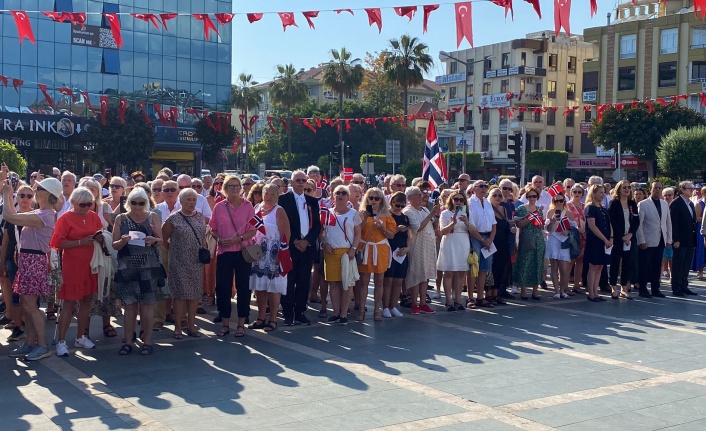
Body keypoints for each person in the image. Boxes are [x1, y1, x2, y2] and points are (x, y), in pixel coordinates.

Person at [3, 175, 61, 361]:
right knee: (28, 306)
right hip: (29, 260)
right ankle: (30, 342)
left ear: (47, 194)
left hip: (33, 261)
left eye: (39, 189)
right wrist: (9, 194)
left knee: (31, 306)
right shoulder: (41, 213)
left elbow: (9, 217)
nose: (35, 191)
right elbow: (13, 216)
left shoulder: (45, 215)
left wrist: (6, 194)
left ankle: (42, 345)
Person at [50, 187, 105, 356]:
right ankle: (61, 341)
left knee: (87, 300)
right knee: (69, 302)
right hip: (73, 265)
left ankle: (81, 336)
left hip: (91, 264)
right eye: (82, 204)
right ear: (73, 203)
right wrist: (81, 242)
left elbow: (100, 233)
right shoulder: (65, 219)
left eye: (89, 204)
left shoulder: (94, 216)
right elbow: (57, 243)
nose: (86, 207)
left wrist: (101, 238)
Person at [112, 188, 163, 355]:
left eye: (141, 203)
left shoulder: (152, 216)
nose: (137, 206)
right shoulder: (121, 218)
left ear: (146, 203)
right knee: (130, 305)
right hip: (128, 267)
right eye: (134, 202)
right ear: (128, 203)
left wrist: (154, 240)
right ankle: (128, 341)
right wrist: (123, 240)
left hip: (149, 266)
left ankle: (147, 341)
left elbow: (162, 240)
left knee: (148, 305)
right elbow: (114, 245)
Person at [209, 175, 256, 337]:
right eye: (231, 186)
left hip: (242, 252)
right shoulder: (219, 207)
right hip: (224, 252)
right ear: (225, 188)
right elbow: (212, 228)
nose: (234, 189)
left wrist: (239, 239)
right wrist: (219, 239)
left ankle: (242, 323)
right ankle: (225, 323)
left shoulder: (248, 206)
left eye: (237, 186)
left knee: (243, 287)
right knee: (223, 288)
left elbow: (254, 229)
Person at [162, 188, 207, 339]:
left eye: (194, 200)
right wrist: (174, 252)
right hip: (179, 262)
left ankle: (191, 325)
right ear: (180, 201)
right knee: (180, 296)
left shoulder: (200, 217)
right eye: (188, 199)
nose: (192, 202)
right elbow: (164, 239)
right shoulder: (173, 218)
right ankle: (178, 327)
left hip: (196, 262)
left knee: (194, 295)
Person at [278, 170, 321, 326]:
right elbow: (281, 224)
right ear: (291, 182)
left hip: (307, 247)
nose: (301, 183)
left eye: (303, 180)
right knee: (289, 280)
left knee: (304, 281)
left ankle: (300, 311)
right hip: (290, 246)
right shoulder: (283, 200)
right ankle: (288, 313)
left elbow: (317, 225)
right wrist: (295, 240)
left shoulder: (312, 201)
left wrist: (307, 241)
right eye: (298, 180)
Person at [249, 184, 291, 332]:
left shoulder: (279, 211)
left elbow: (286, 235)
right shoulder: (257, 208)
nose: (268, 196)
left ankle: (272, 319)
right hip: (258, 254)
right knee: (259, 287)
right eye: (266, 193)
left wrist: (281, 254)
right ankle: (261, 317)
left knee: (273, 288)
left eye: (272, 194)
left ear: (277, 195)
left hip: (274, 255)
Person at [321, 185, 361, 324]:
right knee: (333, 283)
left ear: (348, 196)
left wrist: (353, 249)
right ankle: (336, 312)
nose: (340, 195)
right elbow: (321, 233)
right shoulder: (327, 213)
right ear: (333, 196)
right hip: (330, 252)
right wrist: (324, 244)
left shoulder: (353, 214)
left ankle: (344, 313)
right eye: (338, 193)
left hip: (347, 253)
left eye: (344, 193)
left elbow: (358, 233)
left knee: (347, 284)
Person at [0, 184, 35, 342]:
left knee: (30, 295)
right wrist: (1, 262)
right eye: (22, 195)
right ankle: (18, 325)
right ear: (17, 198)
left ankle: (31, 327)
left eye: (29, 196)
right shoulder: (12, 217)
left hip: (32, 260)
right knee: (15, 293)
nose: (25, 199)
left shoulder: (36, 216)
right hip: (12, 260)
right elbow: (5, 241)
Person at [355, 187, 395, 321]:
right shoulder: (361, 213)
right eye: (370, 198)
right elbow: (357, 231)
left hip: (381, 249)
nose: (373, 201)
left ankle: (377, 310)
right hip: (365, 248)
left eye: (376, 198)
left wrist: (382, 227)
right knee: (363, 281)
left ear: (381, 200)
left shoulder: (387, 215)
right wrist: (366, 218)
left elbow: (391, 235)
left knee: (379, 281)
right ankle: (361, 310)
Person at [403, 186, 439, 314]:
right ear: (409, 198)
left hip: (428, 244)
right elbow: (418, 227)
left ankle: (423, 302)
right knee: (416, 274)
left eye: (421, 194)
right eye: (417, 194)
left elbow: (432, 224)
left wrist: (436, 214)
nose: (421, 196)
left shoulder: (423, 209)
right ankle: (414, 304)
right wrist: (431, 214)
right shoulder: (408, 211)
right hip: (417, 244)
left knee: (425, 276)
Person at [437, 191, 472, 311]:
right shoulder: (445, 213)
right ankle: (448, 301)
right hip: (450, 241)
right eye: (456, 199)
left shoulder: (466, 213)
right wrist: (452, 223)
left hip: (463, 241)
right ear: (451, 200)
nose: (458, 202)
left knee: (461, 272)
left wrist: (467, 223)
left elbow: (472, 230)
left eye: (461, 200)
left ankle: (458, 300)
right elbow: (443, 231)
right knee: (448, 272)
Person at [635, 181, 671, 299]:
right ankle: (643, 289)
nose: (657, 190)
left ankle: (656, 289)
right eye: (655, 188)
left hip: (661, 240)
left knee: (657, 266)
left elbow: (667, 223)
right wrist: (641, 240)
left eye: (660, 188)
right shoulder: (643, 204)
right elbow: (639, 224)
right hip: (647, 241)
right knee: (645, 265)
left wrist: (668, 238)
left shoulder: (664, 204)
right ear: (650, 189)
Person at [513, 186, 546, 301]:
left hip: (538, 238)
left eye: (534, 196)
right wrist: (529, 218)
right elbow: (519, 224)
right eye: (530, 196)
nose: (532, 198)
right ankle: (523, 290)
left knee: (538, 263)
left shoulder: (539, 209)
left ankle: (535, 290)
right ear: (526, 197)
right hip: (526, 238)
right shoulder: (522, 208)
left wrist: (541, 223)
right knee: (525, 262)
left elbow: (541, 224)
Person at [608, 180, 639, 300]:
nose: (627, 189)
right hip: (617, 238)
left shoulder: (632, 204)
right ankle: (613, 287)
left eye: (628, 187)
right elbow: (612, 221)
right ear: (619, 189)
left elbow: (636, 221)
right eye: (624, 187)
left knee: (627, 263)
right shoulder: (614, 203)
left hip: (630, 238)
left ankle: (624, 288)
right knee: (615, 262)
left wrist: (630, 234)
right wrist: (621, 236)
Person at [382, 192, 411, 318]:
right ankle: (385, 306)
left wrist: (408, 248)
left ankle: (393, 306)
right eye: (396, 205)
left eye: (401, 206)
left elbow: (409, 235)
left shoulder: (405, 217)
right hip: (389, 250)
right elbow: (385, 233)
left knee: (399, 281)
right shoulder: (387, 216)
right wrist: (397, 229)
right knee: (388, 281)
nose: (398, 208)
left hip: (401, 252)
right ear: (391, 202)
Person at [468, 180, 496, 308]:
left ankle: (480, 297)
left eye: (486, 186)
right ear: (474, 189)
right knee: (473, 268)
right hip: (476, 237)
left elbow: (494, 224)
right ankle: (470, 299)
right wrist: (482, 240)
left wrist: (490, 239)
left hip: (488, 237)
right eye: (481, 186)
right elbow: (471, 226)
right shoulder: (470, 203)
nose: (484, 189)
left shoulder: (489, 204)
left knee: (484, 269)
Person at [584, 184, 613, 302]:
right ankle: (591, 293)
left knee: (601, 267)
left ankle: (596, 292)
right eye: (600, 192)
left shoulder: (603, 208)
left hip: (605, 241)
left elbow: (609, 224)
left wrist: (611, 237)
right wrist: (604, 239)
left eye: (603, 192)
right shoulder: (590, 208)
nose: (602, 195)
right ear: (594, 193)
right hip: (595, 241)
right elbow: (592, 226)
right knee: (593, 266)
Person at [545, 191, 575, 299]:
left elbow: (574, 228)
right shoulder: (550, 212)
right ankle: (557, 291)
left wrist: (567, 231)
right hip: (553, 240)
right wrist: (551, 222)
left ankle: (563, 290)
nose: (558, 203)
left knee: (564, 268)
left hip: (564, 241)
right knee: (554, 266)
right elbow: (547, 230)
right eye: (556, 200)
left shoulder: (568, 213)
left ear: (564, 201)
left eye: (560, 200)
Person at [670, 181, 698, 297]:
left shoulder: (690, 204)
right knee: (678, 264)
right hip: (680, 240)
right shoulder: (676, 203)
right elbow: (673, 223)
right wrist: (675, 239)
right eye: (689, 188)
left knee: (686, 264)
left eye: (692, 189)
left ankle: (684, 285)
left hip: (690, 239)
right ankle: (676, 288)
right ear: (682, 189)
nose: (692, 190)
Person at [489, 186, 513, 304]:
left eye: (499, 195)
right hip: (492, 242)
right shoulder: (488, 208)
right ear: (490, 197)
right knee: (491, 269)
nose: (498, 197)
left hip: (503, 243)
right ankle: (489, 294)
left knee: (501, 268)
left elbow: (506, 224)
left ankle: (497, 293)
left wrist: (511, 229)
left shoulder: (503, 209)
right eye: (495, 195)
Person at [567, 184, 587, 294]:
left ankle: (576, 285)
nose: (577, 194)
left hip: (584, 237)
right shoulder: (567, 205)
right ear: (571, 193)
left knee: (580, 261)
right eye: (575, 192)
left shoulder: (585, 206)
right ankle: (565, 285)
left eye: (579, 192)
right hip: (573, 236)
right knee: (570, 261)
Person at [661, 187, 676, 280]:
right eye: (665, 195)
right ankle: (663, 271)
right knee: (663, 256)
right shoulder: (661, 205)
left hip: (674, 234)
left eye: (669, 195)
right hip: (663, 234)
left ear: (673, 195)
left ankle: (672, 276)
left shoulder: (675, 205)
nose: (667, 197)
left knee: (672, 257)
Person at [697, 185, 706, 279]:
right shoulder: (699, 204)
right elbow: (696, 217)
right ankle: (700, 271)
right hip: (702, 229)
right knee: (702, 251)